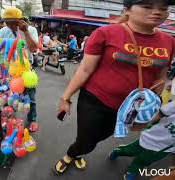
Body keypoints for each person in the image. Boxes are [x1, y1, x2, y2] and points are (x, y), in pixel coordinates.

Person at [55, 0, 175, 175]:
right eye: (147, 7)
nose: (157, 12)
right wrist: (66, 98)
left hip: (129, 109)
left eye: (163, 8)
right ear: (127, 10)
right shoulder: (106, 33)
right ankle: (72, 154)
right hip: (95, 101)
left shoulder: (169, 41)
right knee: (87, 139)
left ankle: (80, 150)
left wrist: (148, 110)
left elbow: (160, 77)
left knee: (102, 136)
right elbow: (85, 69)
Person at [109, 101, 175, 180]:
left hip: (165, 148)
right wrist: (144, 124)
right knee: (130, 151)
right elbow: (162, 112)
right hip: (152, 136)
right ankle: (119, 151)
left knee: (145, 160)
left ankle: (133, 170)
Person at [0, 7, 39, 132]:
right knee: (7, 96)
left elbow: (34, 49)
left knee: (30, 97)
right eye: (7, 22)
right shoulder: (3, 31)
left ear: (20, 20)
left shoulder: (31, 30)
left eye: (13, 22)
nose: (10, 26)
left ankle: (32, 119)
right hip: (8, 70)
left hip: (26, 71)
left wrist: (25, 32)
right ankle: (9, 117)